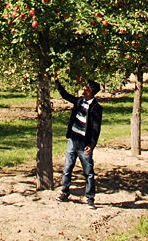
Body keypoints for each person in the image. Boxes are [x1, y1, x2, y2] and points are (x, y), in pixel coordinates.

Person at [55, 78, 103, 208]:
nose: (83, 88)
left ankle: (90, 198)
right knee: (67, 168)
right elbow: (65, 95)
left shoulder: (96, 108)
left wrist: (91, 145)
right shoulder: (79, 101)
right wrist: (57, 82)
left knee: (88, 172)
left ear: (90, 91)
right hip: (73, 140)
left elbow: (96, 129)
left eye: (86, 87)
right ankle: (64, 192)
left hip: (84, 144)